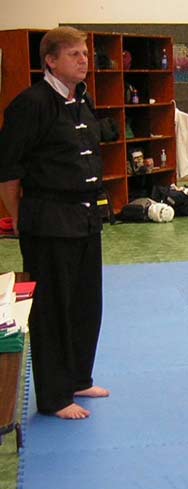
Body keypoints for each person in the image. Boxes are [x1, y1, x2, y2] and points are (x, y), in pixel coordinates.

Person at [0, 27, 109, 420]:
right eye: (74, 54)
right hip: (47, 222)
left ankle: (78, 377)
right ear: (50, 60)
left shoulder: (81, 100)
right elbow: (8, 171)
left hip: (85, 217)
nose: (84, 60)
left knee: (86, 303)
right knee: (52, 309)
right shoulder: (31, 104)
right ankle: (54, 396)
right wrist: (19, 217)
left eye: (85, 53)